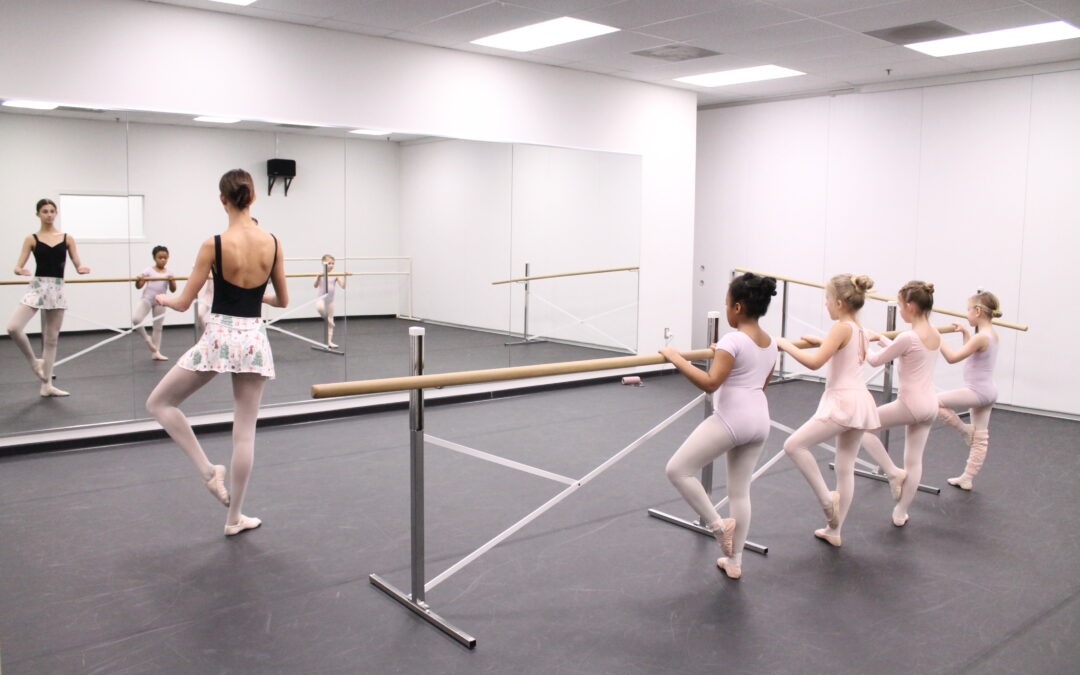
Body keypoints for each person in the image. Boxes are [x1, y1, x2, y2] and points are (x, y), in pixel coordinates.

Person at [146, 169, 288, 536]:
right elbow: (283, 300)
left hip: (220, 337)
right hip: (254, 338)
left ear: (222, 199)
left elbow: (181, 304)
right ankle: (233, 517)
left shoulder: (213, 244)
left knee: (159, 403)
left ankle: (209, 471)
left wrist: (160, 296)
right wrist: (257, 296)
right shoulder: (272, 242)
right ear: (253, 197)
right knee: (245, 434)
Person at [660, 272, 777, 579]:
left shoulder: (732, 339)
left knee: (678, 469)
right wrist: (724, 353)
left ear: (737, 308)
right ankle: (735, 562)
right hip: (760, 419)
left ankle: (717, 524)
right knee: (740, 492)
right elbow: (760, 381)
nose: (725, 309)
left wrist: (676, 358)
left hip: (732, 419)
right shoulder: (771, 343)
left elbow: (711, 383)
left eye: (727, 304)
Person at [777, 274, 879, 548]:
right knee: (845, 467)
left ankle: (827, 501)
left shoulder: (840, 328)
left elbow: (814, 363)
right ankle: (835, 531)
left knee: (794, 445)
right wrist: (821, 341)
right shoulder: (859, 328)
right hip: (860, 401)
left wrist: (783, 344)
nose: (825, 305)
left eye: (826, 300)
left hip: (843, 402)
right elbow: (838, 349)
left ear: (840, 302)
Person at [857, 281, 940, 527]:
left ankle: (892, 473)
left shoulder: (908, 336)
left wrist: (863, 342)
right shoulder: (934, 333)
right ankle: (900, 512)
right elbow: (903, 349)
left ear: (910, 306)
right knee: (914, 461)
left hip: (911, 405)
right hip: (930, 405)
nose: (899, 310)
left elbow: (875, 361)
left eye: (900, 306)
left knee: (864, 428)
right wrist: (881, 338)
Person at [7, 198, 91, 397]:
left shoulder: (67, 238)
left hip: (57, 288)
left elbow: (77, 262)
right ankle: (34, 361)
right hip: (38, 287)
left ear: (56, 213)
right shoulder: (32, 238)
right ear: (38, 214)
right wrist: (20, 270)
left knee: (51, 338)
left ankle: (46, 386)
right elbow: (18, 265)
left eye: (52, 211)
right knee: (13, 327)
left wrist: (81, 268)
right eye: (45, 211)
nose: (49, 214)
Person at [936, 290, 1002, 490]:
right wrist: (965, 333)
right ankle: (967, 478)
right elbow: (972, 354)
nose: (967, 314)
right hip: (988, 391)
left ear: (978, 311)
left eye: (968, 310)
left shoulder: (981, 337)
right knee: (981, 437)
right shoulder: (990, 334)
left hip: (977, 392)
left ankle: (964, 429)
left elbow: (953, 357)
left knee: (933, 402)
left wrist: (935, 338)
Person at [133, 245, 176, 360]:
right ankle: (148, 339)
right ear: (154, 258)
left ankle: (156, 352)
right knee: (136, 319)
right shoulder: (148, 270)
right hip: (147, 299)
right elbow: (139, 286)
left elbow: (173, 289)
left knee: (158, 327)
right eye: (160, 257)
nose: (163, 260)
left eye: (165, 258)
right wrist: (139, 280)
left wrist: (171, 281)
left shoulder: (169, 273)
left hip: (160, 301)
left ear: (168, 258)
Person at [314, 254, 344, 348]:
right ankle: (328, 320)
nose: (331, 265)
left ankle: (329, 342)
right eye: (329, 263)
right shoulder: (320, 274)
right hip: (321, 299)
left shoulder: (336, 275)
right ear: (323, 264)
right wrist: (318, 277)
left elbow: (343, 286)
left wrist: (345, 277)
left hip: (330, 301)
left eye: (333, 263)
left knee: (330, 321)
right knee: (319, 308)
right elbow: (315, 285)